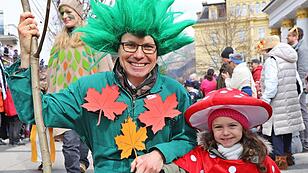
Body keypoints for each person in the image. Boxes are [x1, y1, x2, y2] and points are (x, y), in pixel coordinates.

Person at [10, 0, 197, 172]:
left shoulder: (175, 92)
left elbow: (189, 138)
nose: (139, 55)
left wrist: (160, 154)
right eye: (130, 45)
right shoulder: (89, 88)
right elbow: (36, 111)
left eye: (148, 47)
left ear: (158, 51)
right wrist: (26, 58)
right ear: (118, 47)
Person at [162, 88, 280, 173]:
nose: (225, 132)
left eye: (232, 126)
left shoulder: (260, 159)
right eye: (218, 127)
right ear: (211, 129)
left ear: (243, 128)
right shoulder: (201, 155)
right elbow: (179, 168)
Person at [259, 35, 304, 169]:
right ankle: (288, 157)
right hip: (289, 100)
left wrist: (264, 101)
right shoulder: (289, 58)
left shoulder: (272, 60)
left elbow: (271, 85)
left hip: (276, 101)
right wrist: (293, 98)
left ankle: (280, 162)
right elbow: (298, 83)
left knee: (276, 130)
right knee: (287, 129)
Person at [287, 26, 308, 152]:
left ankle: (305, 142)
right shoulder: (295, 49)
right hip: (297, 85)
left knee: (302, 112)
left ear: (296, 36)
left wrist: (300, 87)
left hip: (300, 87)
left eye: (289, 35)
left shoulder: (302, 49)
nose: (287, 37)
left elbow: (302, 69)